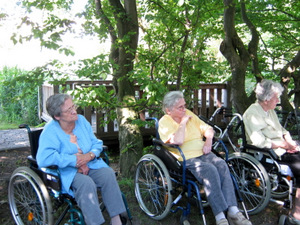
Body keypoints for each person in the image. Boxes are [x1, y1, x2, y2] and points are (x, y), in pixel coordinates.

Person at [158, 91, 252, 225]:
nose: (185, 109)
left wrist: (208, 141)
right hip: (186, 158)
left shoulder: (189, 114)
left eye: (184, 105)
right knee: (210, 170)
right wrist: (183, 122)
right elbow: (177, 140)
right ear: (169, 110)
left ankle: (233, 211)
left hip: (204, 152)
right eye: (180, 107)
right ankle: (220, 217)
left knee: (221, 164)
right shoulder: (165, 122)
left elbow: (208, 129)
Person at [36, 93, 126, 225]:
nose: (74, 111)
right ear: (57, 116)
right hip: (67, 172)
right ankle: (95, 223)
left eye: (74, 106)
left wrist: (89, 156)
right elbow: (44, 159)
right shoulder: (50, 132)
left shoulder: (81, 121)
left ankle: (116, 218)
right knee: (86, 183)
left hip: (91, 163)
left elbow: (96, 143)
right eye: (69, 110)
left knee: (108, 174)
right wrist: (74, 161)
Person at [243, 79, 300, 225]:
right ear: (267, 99)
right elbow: (259, 141)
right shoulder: (252, 113)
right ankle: (296, 215)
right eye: (276, 97)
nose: (278, 100)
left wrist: (291, 143)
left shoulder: (270, 111)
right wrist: (284, 145)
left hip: (283, 148)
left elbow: (282, 130)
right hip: (269, 153)